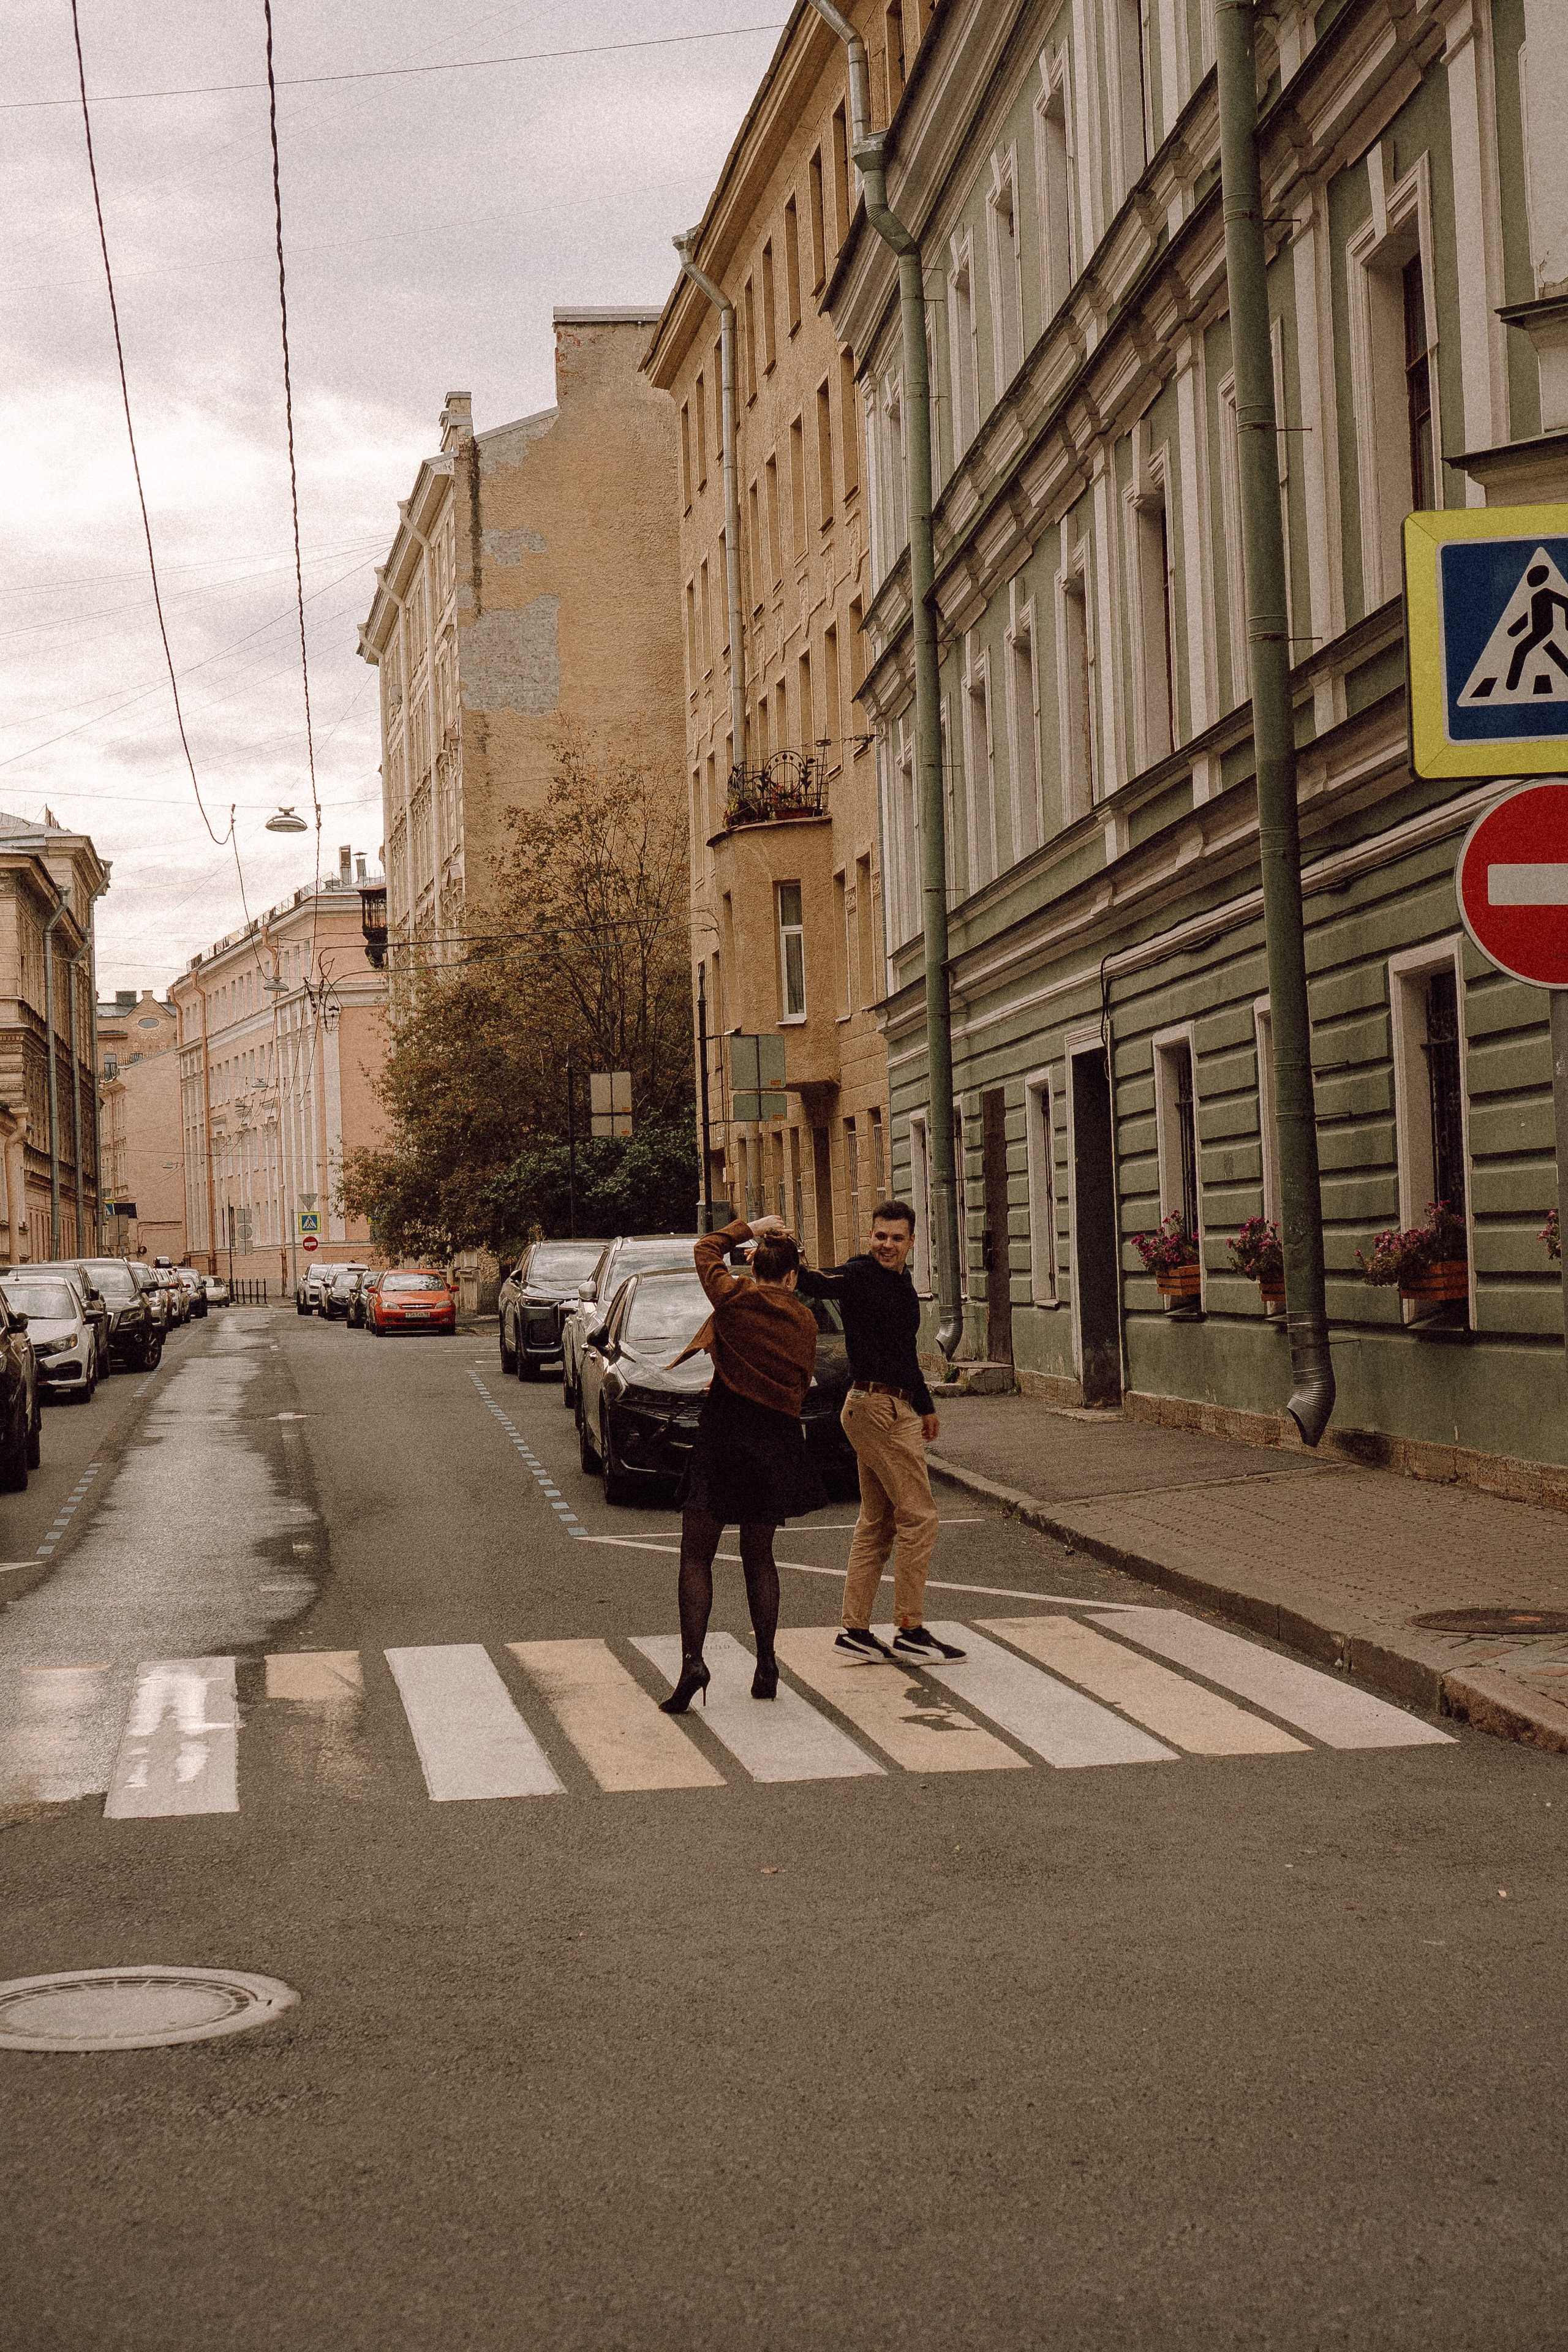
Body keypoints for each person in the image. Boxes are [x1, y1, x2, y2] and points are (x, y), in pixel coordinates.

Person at [766, 1199, 965, 1667]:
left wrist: (927, 1406)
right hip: (874, 1409)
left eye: (897, 1238)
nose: (887, 1246)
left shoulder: (904, 1286)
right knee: (921, 1517)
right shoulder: (858, 1276)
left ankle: (855, 1629)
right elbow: (818, 1282)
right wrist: (784, 1248)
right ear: (869, 1237)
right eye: (880, 1236)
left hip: (893, 1405)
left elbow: (904, 1354)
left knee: (879, 1523)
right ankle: (910, 1629)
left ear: (912, 1242)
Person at [656, 1217, 826, 1716]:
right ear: (793, 1276)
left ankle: (693, 1663)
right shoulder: (806, 1322)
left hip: (725, 1434)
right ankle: (767, 1662)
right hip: (774, 1440)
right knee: (759, 1556)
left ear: (755, 1266)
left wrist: (749, 1227)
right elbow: (799, 1383)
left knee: (696, 1556)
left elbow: (706, 1248)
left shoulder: (734, 1298)